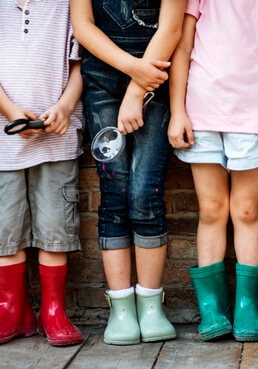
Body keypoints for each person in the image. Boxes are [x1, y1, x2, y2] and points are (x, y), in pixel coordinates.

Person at [0, 0, 85, 346]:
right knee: (7, 227)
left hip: (57, 136)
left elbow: (78, 66)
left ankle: (53, 311)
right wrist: (12, 113)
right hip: (1, 140)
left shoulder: (67, 4)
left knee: (55, 226)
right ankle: (13, 310)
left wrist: (65, 107)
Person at [168, 0, 258, 342]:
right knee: (211, 210)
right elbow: (182, 48)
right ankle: (212, 308)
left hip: (253, 114)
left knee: (247, 210)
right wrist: (177, 111)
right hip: (202, 112)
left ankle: (246, 308)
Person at [71, 0, 185, 346]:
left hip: (156, 82)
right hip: (103, 81)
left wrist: (138, 89)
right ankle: (120, 308)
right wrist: (133, 69)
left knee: (145, 194)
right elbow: (83, 27)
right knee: (115, 193)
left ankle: (151, 305)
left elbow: (171, 27)